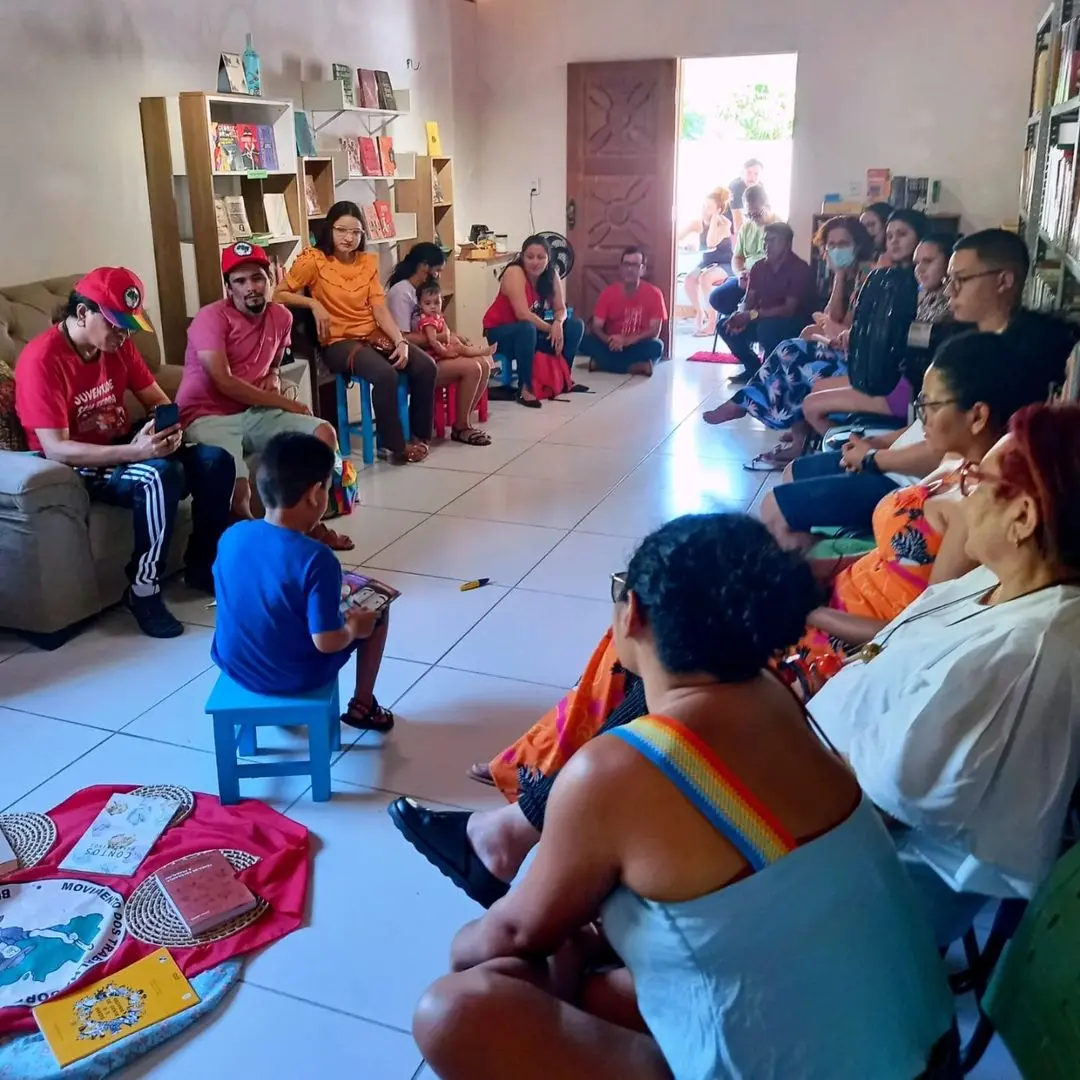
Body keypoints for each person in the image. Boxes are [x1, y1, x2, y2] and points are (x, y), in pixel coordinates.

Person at [409, 515, 957, 1080]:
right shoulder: (773, 697)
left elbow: (509, 936)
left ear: (634, 612)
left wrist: (470, 948)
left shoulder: (617, 769)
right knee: (573, 960)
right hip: (922, 1046)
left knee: (452, 1011)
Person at [811, 402, 1080, 942]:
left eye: (975, 481)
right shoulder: (1002, 583)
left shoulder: (1019, 654)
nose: (963, 494)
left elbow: (871, 808)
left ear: (1023, 518)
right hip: (835, 783)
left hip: (862, 881)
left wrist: (764, 755)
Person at [756, 228, 1079, 552]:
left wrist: (874, 458)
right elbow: (928, 419)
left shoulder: (1014, 363)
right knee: (794, 471)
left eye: (961, 280)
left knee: (775, 510)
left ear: (1004, 281)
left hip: (920, 481)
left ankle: (839, 561)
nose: (949, 290)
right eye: (949, 279)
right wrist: (877, 443)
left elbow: (950, 452)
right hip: (899, 459)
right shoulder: (968, 339)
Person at [789, 331, 1053, 677]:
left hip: (849, 647)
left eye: (931, 405)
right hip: (834, 602)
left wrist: (808, 612)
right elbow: (897, 555)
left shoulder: (977, 510)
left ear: (977, 416)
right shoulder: (953, 460)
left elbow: (917, 631)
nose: (922, 416)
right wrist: (832, 566)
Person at [14, 267, 234, 639]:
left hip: (122, 443)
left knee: (215, 462)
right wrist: (136, 453)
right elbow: (56, 448)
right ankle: (142, 590)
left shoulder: (119, 346)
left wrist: (166, 430)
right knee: (158, 476)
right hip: (71, 464)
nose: (123, 335)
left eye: (129, 326)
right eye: (116, 325)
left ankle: (202, 564)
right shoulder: (43, 360)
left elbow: (158, 400)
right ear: (82, 313)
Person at [211, 432, 395, 732]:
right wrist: (353, 628)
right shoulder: (317, 559)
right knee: (377, 611)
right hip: (293, 675)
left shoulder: (232, 535)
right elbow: (326, 642)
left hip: (235, 663)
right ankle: (363, 706)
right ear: (314, 494)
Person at [177, 242, 353, 550]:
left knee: (323, 434)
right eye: (240, 281)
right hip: (207, 415)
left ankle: (311, 524)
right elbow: (224, 382)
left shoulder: (281, 317)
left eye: (257, 278)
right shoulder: (210, 318)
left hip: (255, 411)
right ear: (228, 288)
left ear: (270, 278)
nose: (251, 288)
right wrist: (288, 403)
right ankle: (259, 551)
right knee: (240, 493)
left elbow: (274, 363)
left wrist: (273, 378)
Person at [701, 214, 883, 455]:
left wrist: (753, 316)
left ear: (857, 245)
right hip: (834, 343)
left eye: (843, 244)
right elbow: (833, 317)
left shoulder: (867, 275)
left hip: (855, 357)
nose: (836, 250)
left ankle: (748, 405)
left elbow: (837, 321)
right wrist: (742, 314)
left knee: (789, 350)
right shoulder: (844, 273)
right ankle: (784, 423)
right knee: (790, 344)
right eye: (831, 245)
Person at [274, 201, 436, 464]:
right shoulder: (313, 260)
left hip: (371, 334)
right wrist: (313, 303)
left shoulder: (367, 262)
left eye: (356, 232)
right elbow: (278, 294)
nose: (349, 238)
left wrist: (400, 340)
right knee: (385, 375)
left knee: (426, 366)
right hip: (338, 342)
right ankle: (395, 446)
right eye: (341, 230)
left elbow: (379, 308)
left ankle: (420, 436)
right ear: (329, 229)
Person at [801, 232, 956, 437]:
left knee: (811, 405)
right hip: (892, 378)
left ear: (949, 264)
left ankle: (846, 447)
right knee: (815, 390)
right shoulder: (920, 297)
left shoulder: (949, 306)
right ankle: (843, 442)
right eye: (917, 263)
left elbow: (906, 340)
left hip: (908, 388)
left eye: (928, 261)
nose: (920, 268)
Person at [386, 242, 492, 445]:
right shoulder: (401, 292)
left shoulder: (424, 290)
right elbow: (402, 337)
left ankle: (463, 422)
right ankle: (461, 427)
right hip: (414, 359)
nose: (439, 276)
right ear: (424, 266)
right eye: (438, 270)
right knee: (473, 368)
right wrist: (441, 339)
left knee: (485, 363)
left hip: (432, 352)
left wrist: (452, 336)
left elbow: (435, 325)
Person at [482, 234, 586, 408]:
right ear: (522, 257)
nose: (535, 262)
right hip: (501, 332)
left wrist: (558, 324)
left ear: (548, 259)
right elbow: (522, 313)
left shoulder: (552, 274)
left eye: (541, 257)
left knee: (575, 326)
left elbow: (561, 309)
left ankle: (563, 379)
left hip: (531, 330)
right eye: (530, 257)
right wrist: (550, 329)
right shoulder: (514, 272)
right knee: (527, 328)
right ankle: (526, 388)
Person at [713, 220, 813, 384]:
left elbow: (788, 309)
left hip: (793, 321)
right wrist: (741, 315)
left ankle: (772, 374)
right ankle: (753, 369)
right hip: (761, 318)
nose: (766, 245)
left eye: (772, 240)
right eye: (765, 241)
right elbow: (749, 298)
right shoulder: (759, 267)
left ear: (787, 244)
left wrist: (751, 316)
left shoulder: (799, 268)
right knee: (725, 325)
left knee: (766, 329)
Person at [579, 247, 666, 376]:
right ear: (621, 268)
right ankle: (635, 367)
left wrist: (627, 341)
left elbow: (654, 331)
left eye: (635, 265)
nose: (630, 269)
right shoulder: (608, 293)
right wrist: (609, 340)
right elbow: (596, 327)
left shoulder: (655, 294)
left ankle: (602, 364)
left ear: (642, 269)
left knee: (657, 346)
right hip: (611, 345)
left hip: (637, 344)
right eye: (626, 264)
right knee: (583, 341)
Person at [706, 183, 772, 323]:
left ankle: (745, 319)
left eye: (756, 214)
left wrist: (755, 278)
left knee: (755, 305)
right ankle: (741, 319)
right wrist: (740, 273)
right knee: (716, 298)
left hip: (766, 281)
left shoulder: (778, 227)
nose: (752, 218)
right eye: (748, 214)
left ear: (767, 206)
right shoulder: (746, 227)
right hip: (745, 278)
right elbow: (737, 258)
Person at [678, 188, 733, 335]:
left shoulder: (725, 224)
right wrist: (686, 245)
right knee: (689, 280)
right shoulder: (697, 222)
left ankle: (712, 323)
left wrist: (714, 220)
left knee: (705, 278)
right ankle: (700, 312)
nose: (704, 209)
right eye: (703, 205)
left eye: (708, 207)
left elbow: (711, 243)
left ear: (718, 210)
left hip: (725, 263)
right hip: (707, 262)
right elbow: (676, 237)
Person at [726, 157, 765, 233]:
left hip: (747, 221)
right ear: (743, 172)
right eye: (749, 172)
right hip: (728, 226)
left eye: (756, 174)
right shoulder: (736, 187)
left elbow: (764, 212)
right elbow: (737, 224)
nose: (752, 177)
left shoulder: (760, 187)